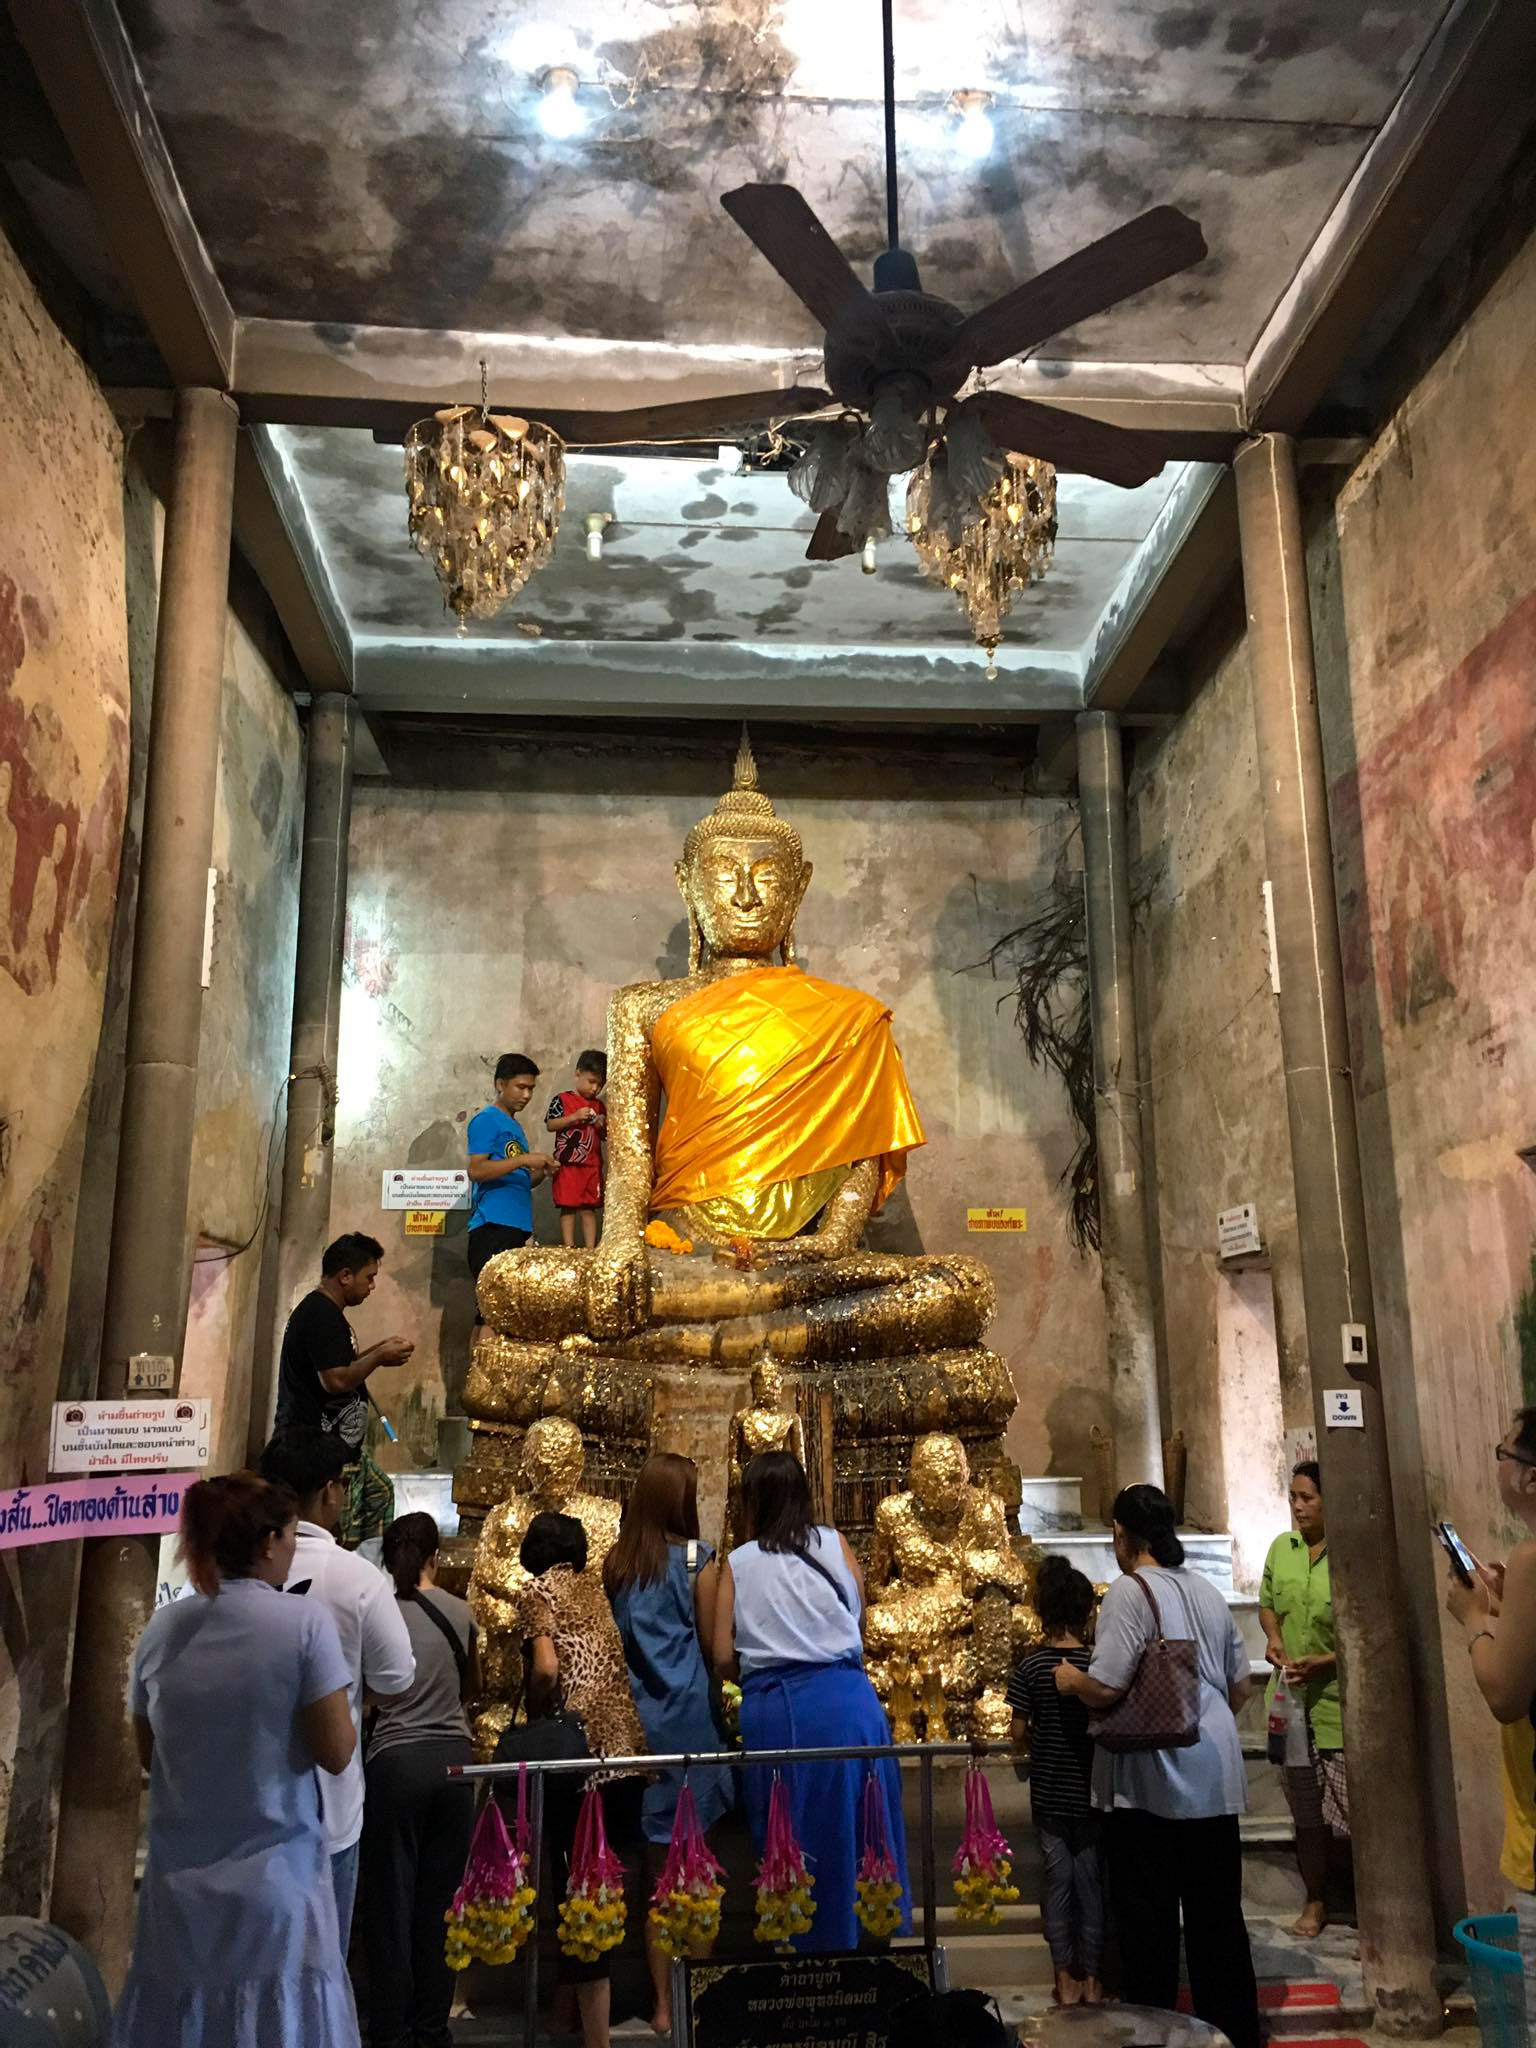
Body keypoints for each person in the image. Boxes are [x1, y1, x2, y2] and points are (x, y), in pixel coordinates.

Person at [112, 1472, 359, 2048]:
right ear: (269, 1541)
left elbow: (151, 1753)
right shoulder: (303, 1624)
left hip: (178, 1895)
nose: (294, 1547)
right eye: (293, 1535)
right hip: (275, 1890)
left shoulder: (163, 1629)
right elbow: (337, 1750)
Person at [1056, 1484, 1258, 2048]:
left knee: (1149, 1928)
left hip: (1153, 1784)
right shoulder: (1208, 1591)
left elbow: (1107, 1684)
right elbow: (1241, 1687)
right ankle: (1234, 2035)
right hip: (1215, 1780)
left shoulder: (1129, 1590)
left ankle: (1156, 2037)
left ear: (1122, 1534)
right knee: (1219, 1922)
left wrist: (1072, 1680)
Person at [712, 1450, 909, 1955]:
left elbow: (719, 1655)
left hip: (784, 1714)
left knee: (799, 1842)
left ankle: (810, 1971)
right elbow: (860, 1620)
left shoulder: (738, 1562)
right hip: (851, 1704)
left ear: (750, 1502)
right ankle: (874, 1961)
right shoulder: (835, 1543)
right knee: (867, 1838)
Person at [259, 1427, 415, 1950]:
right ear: (329, 1489)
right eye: (343, 1486)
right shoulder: (356, 1578)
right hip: (327, 1808)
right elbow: (396, 1679)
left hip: (243, 1807)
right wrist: (350, 1700)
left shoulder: (223, 1582)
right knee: (320, 1969)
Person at [605, 1452, 733, 2035]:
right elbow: (713, 1647)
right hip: (690, 1727)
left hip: (638, 1727)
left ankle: (659, 2003)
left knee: (655, 1869)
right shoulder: (698, 1562)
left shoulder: (618, 1565)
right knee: (695, 1866)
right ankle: (696, 1997)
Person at [516, 1511, 647, 2048]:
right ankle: (565, 2013)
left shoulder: (538, 1592)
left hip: (579, 1762)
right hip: (625, 1758)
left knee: (579, 1896)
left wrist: (540, 1703)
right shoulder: (594, 1589)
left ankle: (597, 2040)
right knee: (601, 1888)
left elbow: (546, 1667)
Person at [361, 1513, 478, 2048]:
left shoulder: (377, 1613)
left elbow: (368, 1697)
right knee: (441, 1904)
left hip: (396, 1763)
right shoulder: (461, 1612)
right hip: (455, 1765)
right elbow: (468, 1688)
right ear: (435, 1556)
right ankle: (432, 2027)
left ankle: (388, 2028)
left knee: (391, 1903)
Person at [1445, 1409, 1536, 2038]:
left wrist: (1473, 1615)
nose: (1497, 1462)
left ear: (1529, 1478)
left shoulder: (1534, 1555)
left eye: (1503, 1452)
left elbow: (1505, 1693)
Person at [275, 1231, 412, 1546]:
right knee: (335, 1526)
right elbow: (335, 1380)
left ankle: (363, 1568)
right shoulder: (320, 1315)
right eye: (369, 1277)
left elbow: (340, 1365)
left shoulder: (329, 1315)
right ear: (346, 1275)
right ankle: (339, 1576)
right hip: (317, 1448)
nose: (372, 1286)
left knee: (379, 1493)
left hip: (342, 1446)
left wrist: (380, 1349)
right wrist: (378, 1357)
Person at [1008, 1555, 1102, 2007]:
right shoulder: (1095, 1667)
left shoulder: (1029, 1668)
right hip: (1091, 1790)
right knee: (1090, 1882)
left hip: (1047, 1790)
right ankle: (1094, 1977)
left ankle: (1063, 1974)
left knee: (1057, 1881)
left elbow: (1019, 1733)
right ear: (1086, 1612)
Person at [1260, 1460, 1349, 1938]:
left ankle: (1366, 1901)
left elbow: (1366, 1631)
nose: (1297, 1506)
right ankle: (1315, 1900)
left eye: (1307, 1498)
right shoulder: (1283, 1547)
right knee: (1307, 1811)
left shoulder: (1350, 1553)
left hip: (1337, 1706)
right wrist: (1274, 1642)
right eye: (1293, 1497)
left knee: (1354, 1812)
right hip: (1292, 1704)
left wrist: (1328, 1660)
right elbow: (1268, 1604)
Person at [466, 1054, 557, 1298]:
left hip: (516, 1227)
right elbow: (476, 1170)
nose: (527, 1095)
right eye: (521, 1087)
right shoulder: (486, 1120)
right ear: (500, 1085)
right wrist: (524, 1159)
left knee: (500, 1314)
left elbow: (521, 1180)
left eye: (531, 1089)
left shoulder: (515, 1128)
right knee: (491, 1314)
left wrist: (542, 1173)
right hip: (492, 1226)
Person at [545, 1049, 607, 1250]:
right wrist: (574, 1117)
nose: (595, 1088)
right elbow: (550, 1125)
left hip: (592, 1164)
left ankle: (590, 1249)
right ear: (578, 1073)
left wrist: (601, 1124)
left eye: (599, 1084)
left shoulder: (600, 1106)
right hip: (569, 1164)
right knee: (568, 1206)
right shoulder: (561, 1100)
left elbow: (605, 1135)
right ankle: (568, 1247)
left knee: (590, 1208)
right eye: (591, 1081)